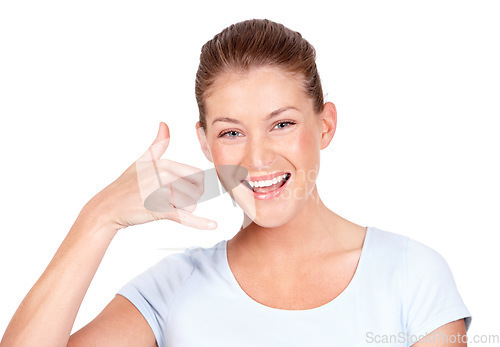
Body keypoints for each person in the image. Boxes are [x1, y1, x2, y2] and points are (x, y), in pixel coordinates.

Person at [1, 19, 471, 347]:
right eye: (231, 132)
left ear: (325, 126)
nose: (258, 157)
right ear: (205, 144)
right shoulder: (172, 288)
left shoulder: (412, 277)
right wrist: (98, 217)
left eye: (282, 123)